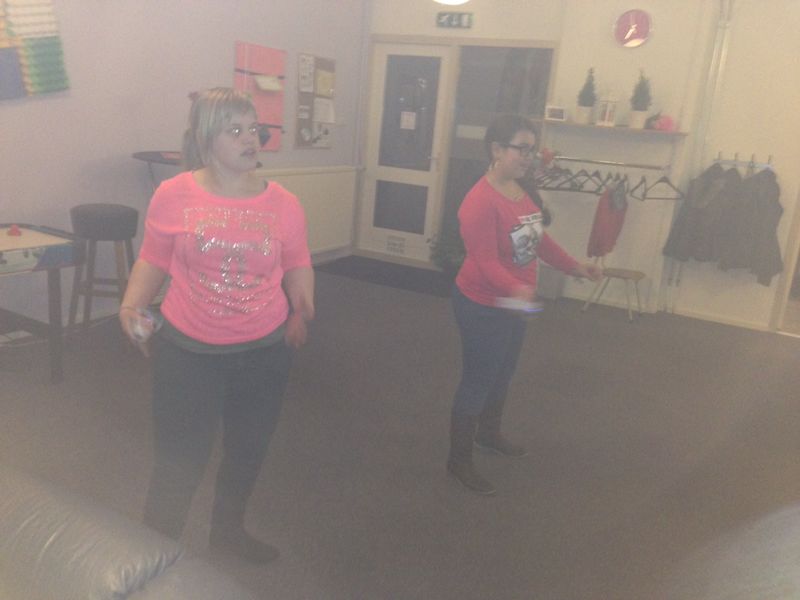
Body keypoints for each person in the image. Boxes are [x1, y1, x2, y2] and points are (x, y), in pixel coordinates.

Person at [119, 87, 314, 563]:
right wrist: (131, 305)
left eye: (254, 129)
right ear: (207, 139)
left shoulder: (284, 202)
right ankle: (154, 553)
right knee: (178, 461)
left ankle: (227, 532)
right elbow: (154, 258)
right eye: (235, 130)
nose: (250, 139)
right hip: (189, 354)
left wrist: (301, 304)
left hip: (264, 353)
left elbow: (296, 260)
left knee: (247, 451)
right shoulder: (174, 194)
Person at [447, 113, 602, 496]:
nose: (528, 157)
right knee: (478, 379)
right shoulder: (479, 201)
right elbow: (485, 262)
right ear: (496, 149)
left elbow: (538, 240)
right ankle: (458, 461)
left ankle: (488, 435)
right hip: (482, 304)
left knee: (503, 372)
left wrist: (575, 267)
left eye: (532, 150)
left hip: (513, 302)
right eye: (522, 149)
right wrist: (517, 290)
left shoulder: (521, 190)